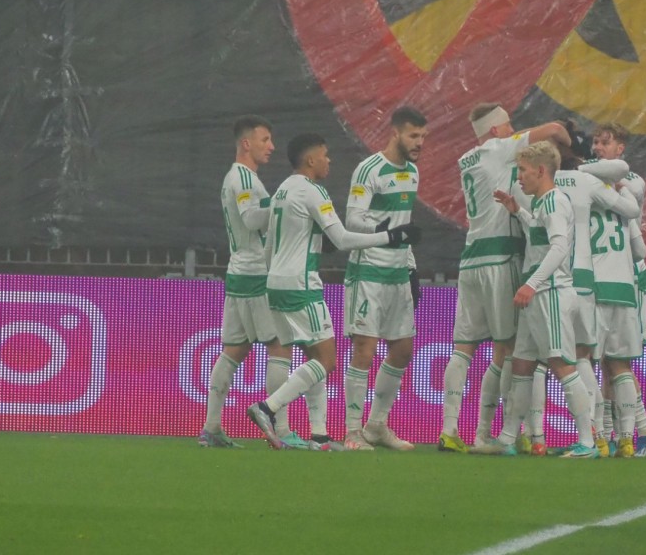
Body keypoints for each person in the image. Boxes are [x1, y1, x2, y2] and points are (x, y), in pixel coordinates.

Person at [245, 133, 420, 449]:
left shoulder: (283, 189)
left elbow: (272, 243)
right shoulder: (313, 190)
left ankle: (319, 435)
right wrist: (391, 237)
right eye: (325, 155)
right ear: (311, 160)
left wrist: (278, 272)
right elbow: (342, 238)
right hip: (302, 285)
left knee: (313, 358)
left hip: (277, 283)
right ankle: (267, 408)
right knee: (326, 360)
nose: (329, 161)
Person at [438, 103, 571, 453]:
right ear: (495, 130)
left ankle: (449, 429)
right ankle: (496, 433)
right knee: (511, 349)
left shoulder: (466, 159)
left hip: (471, 258)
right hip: (501, 257)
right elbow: (554, 130)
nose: (514, 131)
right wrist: (571, 141)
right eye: (509, 126)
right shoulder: (499, 148)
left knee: (463, 346)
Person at [476, 141, 598, 458]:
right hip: (540, 294)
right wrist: (518, 212)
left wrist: (531, 284)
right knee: (521, 363)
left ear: (541, 170)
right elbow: (541, 236)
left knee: (562, 364)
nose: (519, 177)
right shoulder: (544, 203)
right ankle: (507, 438)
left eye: (523, 170)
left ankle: (588, 441)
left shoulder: (555, 201)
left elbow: (558, 248)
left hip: (551, 292)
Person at [200, 115, 308, 450]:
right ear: (247, 143)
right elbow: (251, 219)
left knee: (234, 350)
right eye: (265, 140)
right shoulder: (244, 178)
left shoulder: (234, 177)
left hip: (238, 273)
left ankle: (211, 427)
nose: (271, 146)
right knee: (280, 347)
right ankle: (282, 429)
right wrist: (281, 204)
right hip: (257, 275)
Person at [342, 107, 428, 451]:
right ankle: (352, 431)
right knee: (365, 349)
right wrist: (388, 233)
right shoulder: (370, 169)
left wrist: (411, 268)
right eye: (413, 136)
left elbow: (404, 225)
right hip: (368, 271)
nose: (419, 142)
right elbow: (353, 219)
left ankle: (376, 425)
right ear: (395, 133)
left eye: (423, 136)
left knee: (403, 350)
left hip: (397, 273)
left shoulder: (412, 172)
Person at [549, 136, 639, 456]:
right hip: (622, 284)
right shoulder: (613, 186)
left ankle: (596, 435)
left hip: (587, 282)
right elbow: (638, 233)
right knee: (619, 365)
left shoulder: (555, 185)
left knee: (580, 358)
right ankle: (626, 438)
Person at [585, 123, 646, 456]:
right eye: (595, 142)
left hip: (628, 278)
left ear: (621, 149)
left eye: (606, 142)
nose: (598, 147)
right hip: (612, 278)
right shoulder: (592, 180)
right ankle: (618, 435)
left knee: (615, 362)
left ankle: (638, 432)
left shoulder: (633, 181)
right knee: (608, 363)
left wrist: (579, 172)